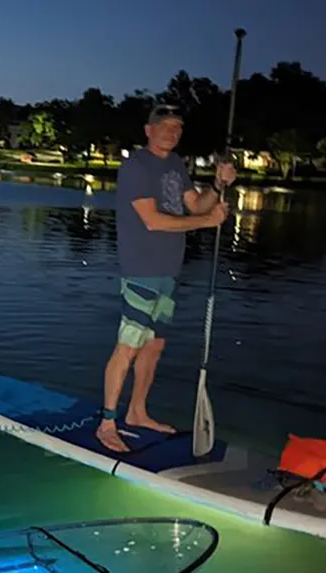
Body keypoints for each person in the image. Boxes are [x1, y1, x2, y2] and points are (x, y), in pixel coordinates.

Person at [95, 104, 236, 453]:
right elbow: (153, 221)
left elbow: (195, 206)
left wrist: (218, 185)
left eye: (177, 127)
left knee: (154, 346)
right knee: (129, 345)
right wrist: (206, 224)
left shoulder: (175, 165)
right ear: (148, 130)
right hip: (141, 268)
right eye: (165, 126)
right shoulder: (136, 166)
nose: (172, 132)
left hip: (168, 271)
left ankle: (137, 412)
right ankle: (107, 422)